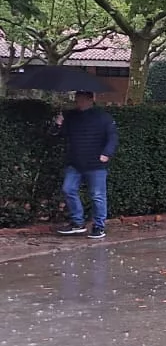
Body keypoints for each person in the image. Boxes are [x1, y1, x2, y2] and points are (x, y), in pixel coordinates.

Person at [53, 91, 118, 239]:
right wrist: (58, 124)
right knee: (68, 189)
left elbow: (112, 137)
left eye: (81, 100)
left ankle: (99, 226)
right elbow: (59, 135)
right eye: (77, 100)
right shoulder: (71, 116)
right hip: (75, 162)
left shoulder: (103, 117)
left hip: (96, 163)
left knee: (97, 195)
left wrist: (107, 153)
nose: (79, 103)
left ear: (90, 100)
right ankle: (77, 222)